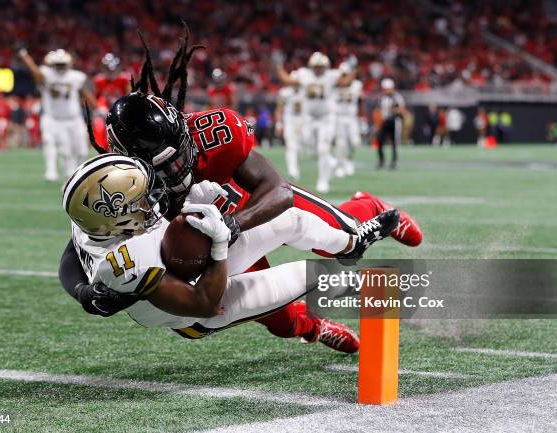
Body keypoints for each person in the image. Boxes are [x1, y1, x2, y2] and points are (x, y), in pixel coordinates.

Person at [59, 26, 421, 345]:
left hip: (243, 204)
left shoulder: (211, 133)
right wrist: (84, 291)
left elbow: (278, 191)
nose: (179, 165)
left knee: (329, 230)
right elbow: (78, 245)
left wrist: (232, 225)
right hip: (198, 262)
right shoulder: (117, 188)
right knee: (275, 312)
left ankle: (366, 212)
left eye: (179, 153)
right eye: (165, 163)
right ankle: (311, 328)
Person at [63, 154, 399, 351]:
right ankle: (315, 326)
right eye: (138, 200)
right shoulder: (126, 264)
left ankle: (351, 242)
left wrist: (81, 291)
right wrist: (221, 243)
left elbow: (69, 258)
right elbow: (204, 300)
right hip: (195, 308)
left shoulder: (92, 223)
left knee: (290, 218)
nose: (149, 199)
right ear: (115, 215)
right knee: (309, 277)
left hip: (189, 261)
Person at [276, 52, 357, 193]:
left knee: (323, 149)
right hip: (308, 118)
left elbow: (346, 83)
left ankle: (323, 181)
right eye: (316, 66)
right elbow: (287, 81)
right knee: (308, 145)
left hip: (327, 117)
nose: (319, 69)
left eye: (321, 66)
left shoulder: (331, 76)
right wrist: (278, 66)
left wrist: (353, 68)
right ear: (311, 66)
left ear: (326, 66)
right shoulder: (304, 75)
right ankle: (331, 162)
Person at [18, 47, 96, 181]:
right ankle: (58, 172)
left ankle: (77, 174)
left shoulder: (76, 77)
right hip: (54, 117)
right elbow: (36, 73)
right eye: (57, 64)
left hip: (74, 118)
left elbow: (86, 95)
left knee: (81, 150)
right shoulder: (46, 74)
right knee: (60, 147)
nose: (60, 67)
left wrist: (96, 108)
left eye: (62, 64)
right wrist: (25, 57)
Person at [334, 61, 364, 177]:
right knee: (340, 143)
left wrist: (362, 120)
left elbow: (361, 103)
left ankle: (349, 160)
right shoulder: (336, 85)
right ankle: (340, 166)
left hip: (352, 118)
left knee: (354, 142)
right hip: (339, 117)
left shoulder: (357, 85)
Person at [274, 73, 306, 180]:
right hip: (290, 120)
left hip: (304, 120)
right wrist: (279, 124)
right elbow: (279, 109)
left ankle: (297, 167)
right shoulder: (285, 92)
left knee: (301, 146)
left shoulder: (305, 91)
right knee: (291, 146)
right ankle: (293, 170)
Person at [376, 78, 405, 169]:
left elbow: (401, 110)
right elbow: (380, 110)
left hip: (395, 121)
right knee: (380, 140)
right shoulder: (382, 97)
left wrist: (392, 110)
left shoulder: (397, 97)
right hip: (385, 121)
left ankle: (393, 162)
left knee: (394, 143)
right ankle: (381, 161)